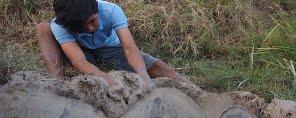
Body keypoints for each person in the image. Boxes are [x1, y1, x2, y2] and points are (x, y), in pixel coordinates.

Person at [36, 0, 191, 90]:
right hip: (81, 51)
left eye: (93, 21)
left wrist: (144, 76)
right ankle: (59, 84)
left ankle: (194, 89)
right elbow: (79, 61)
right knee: (43, 28)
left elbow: (130, 49)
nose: (90, 28)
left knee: (157, 67)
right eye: (82, 27)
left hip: (110, 48)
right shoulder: (61, 25)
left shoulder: (111, 10)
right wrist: (105, 77)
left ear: (96, 9)